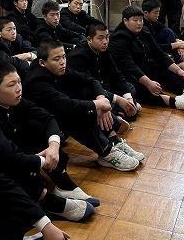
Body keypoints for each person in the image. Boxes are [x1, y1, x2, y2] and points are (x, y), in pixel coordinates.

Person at [0, 61, 97, 222]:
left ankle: (59, 185)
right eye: (11, 85)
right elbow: (6, 155)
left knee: (38, 128)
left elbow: (47, 118)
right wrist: (44, 160)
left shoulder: (9, 98)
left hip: (10, 151)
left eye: (19, 82)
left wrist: (53, 147)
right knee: (14, 162)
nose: (18, 88)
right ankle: (48, 201)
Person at [24, 39, 143, 171]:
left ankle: (113, 140)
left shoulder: (57, 67)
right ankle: (107, 152)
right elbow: (67, 106)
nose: (62, 62)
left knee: (85, 92)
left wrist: (101, 99)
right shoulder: (37, 81)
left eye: (64, 57)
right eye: (57, 59)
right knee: (78, 113)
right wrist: (97, 105)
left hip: (57, 115)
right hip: (40, 130)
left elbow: (91, 81)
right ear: (42, 62)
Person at [109, 6, 184, 113]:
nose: (139, 23)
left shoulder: (144, 32)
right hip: (128, 75)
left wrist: (179, 70)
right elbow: (130, 66)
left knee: (163, 67)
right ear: (125, 21)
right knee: (140, 89)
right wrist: (148, 83)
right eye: (135, 20)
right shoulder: (118, 39)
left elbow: (159, 53)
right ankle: (176, 102)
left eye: (141, 20)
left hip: (144, 68)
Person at [67, 22, 140, 121]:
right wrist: (117, 99)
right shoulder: (78, 56)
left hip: (105, 88)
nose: (105, 42)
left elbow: (116, 75)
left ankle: (121, 110)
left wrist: (129, 99)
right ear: (89, 39)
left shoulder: (104, 50)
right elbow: (88, 87)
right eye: (100, 38)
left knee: (130, 87)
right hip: (90, 93)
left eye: (107, 37)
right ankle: (117, 112)